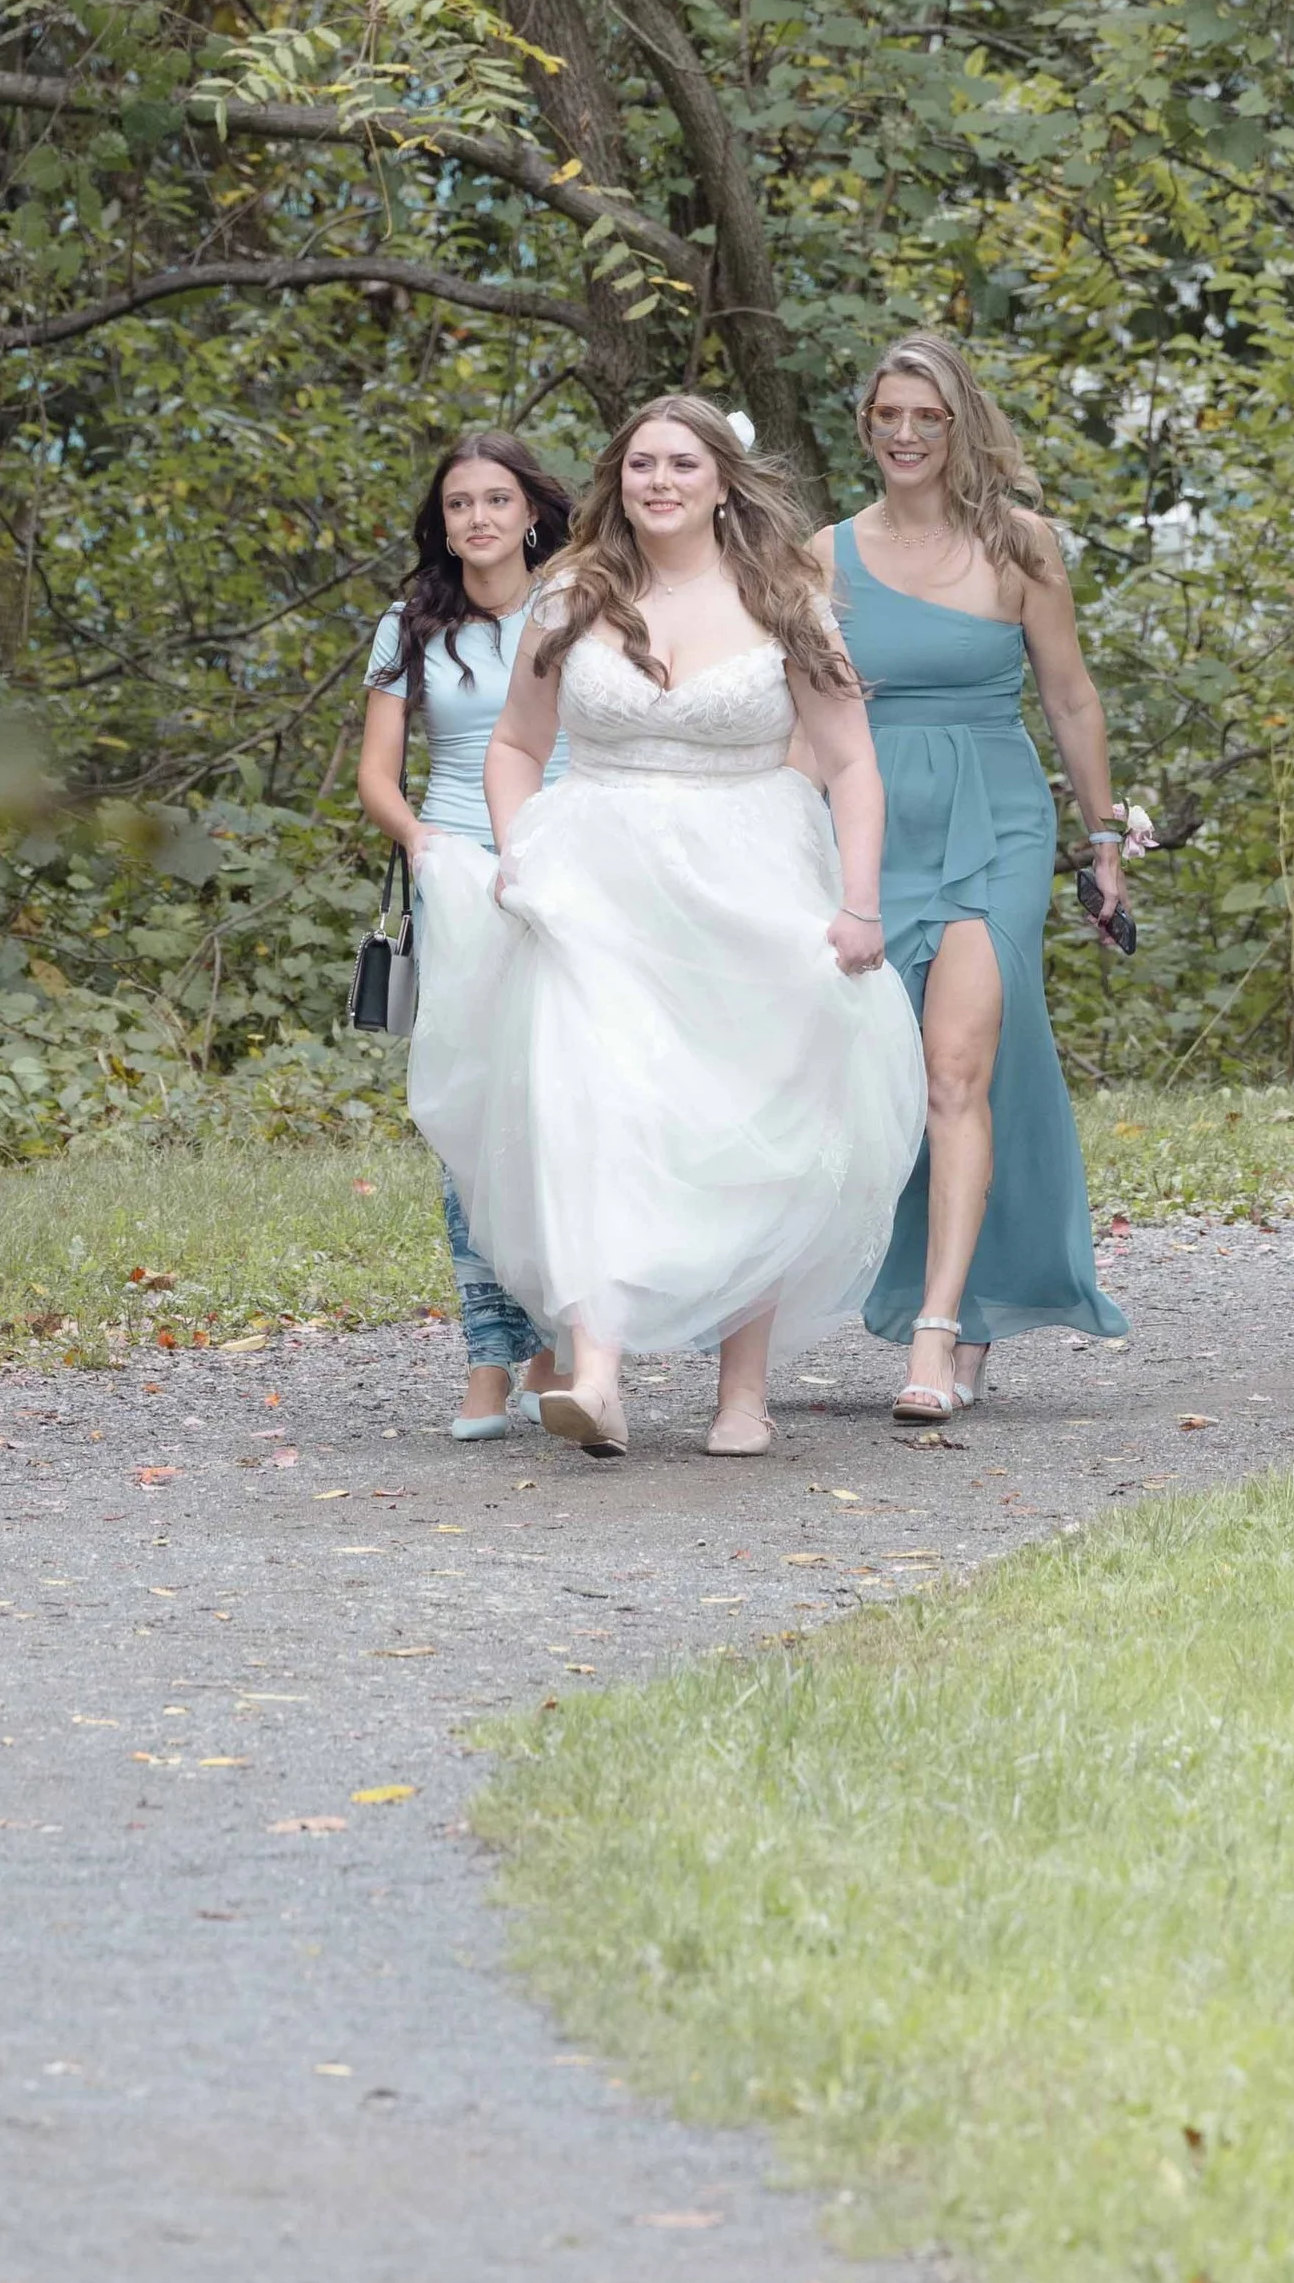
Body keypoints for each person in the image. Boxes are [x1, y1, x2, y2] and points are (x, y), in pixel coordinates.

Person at [409, 394, 924, 1462]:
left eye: (681, 465)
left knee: (743, 1115)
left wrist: (859, 901)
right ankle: (595, 1373)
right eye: (641, 465)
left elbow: (851, 761)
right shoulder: (572, 597)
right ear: (617, 480)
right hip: (594, 877)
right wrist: (518, 855)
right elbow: (515, 744)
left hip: (748, 871)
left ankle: (743, 1393)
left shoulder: (784, 600)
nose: (659, 483)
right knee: (596, 1103)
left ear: (722, 480)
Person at [817, 332, 1131, 1423]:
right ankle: (921, 1291)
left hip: (993, 816)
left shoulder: (1020, 546)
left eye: (926, 417)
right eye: (887, 416)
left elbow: (1072, 699)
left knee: (957, 1068)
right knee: (883, 1079)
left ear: (958, 427)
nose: (905, 435)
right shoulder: (823, 556)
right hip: (870, 824)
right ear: (866, 426)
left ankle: (941, 1332)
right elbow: (797, 715)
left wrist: (1103, 845)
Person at [356, 432, 578, 1442]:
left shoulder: (580, 607)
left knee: (565, 1113)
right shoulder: (408, 626)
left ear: (532, 512)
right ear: (439, 522)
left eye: (496, 500)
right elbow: (377, 772)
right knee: (469, 1124)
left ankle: (556, 1354)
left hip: (571, 875)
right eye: (458, 504)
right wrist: (428, 845)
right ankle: (489, 1362)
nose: (477, 519)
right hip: (459, 884)